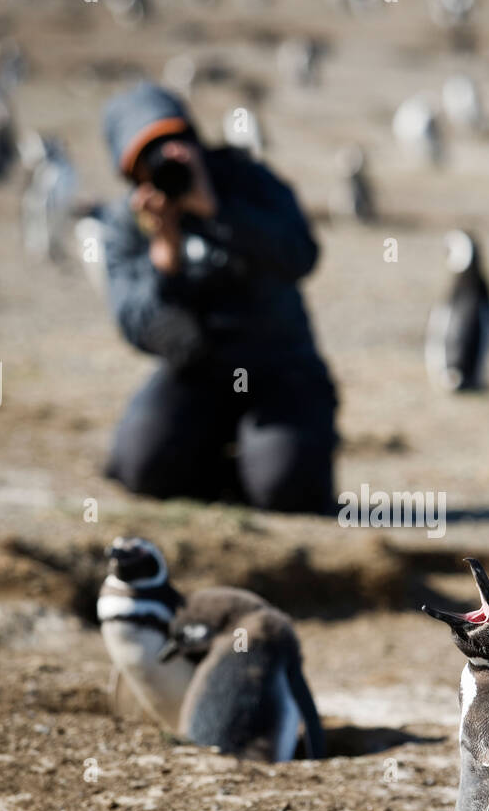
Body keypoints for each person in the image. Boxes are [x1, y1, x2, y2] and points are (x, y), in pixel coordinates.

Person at [100, 82, 337, 513]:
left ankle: (266, 465)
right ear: (131, 173)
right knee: (141, 469)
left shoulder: (248, 181)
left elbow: (300, 255)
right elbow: (136, 323)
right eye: (149, 159)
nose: (169, 161)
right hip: (197, 373)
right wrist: (165, 255)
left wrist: (218, 212)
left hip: (280, 370)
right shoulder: (128, 223)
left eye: (176, 143)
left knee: (287, 491)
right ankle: (223, 466)